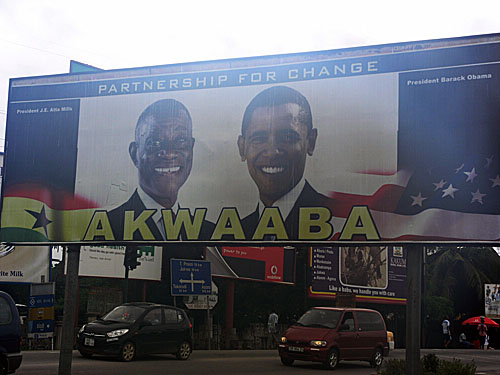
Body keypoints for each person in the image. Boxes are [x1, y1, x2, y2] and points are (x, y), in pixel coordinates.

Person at [237, 86, 334, 240]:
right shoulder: (237, 234)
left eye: (288, 137)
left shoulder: (338, 222)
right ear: (242, 148)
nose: (272, 151)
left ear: (311, 142)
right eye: (259, 139)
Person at [108, 98, 213, 240]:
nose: (169, 154)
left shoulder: (209, 234)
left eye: (181, 140)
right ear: (134, 154)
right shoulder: (107, 228)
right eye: (154, 142)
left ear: (191, 147)